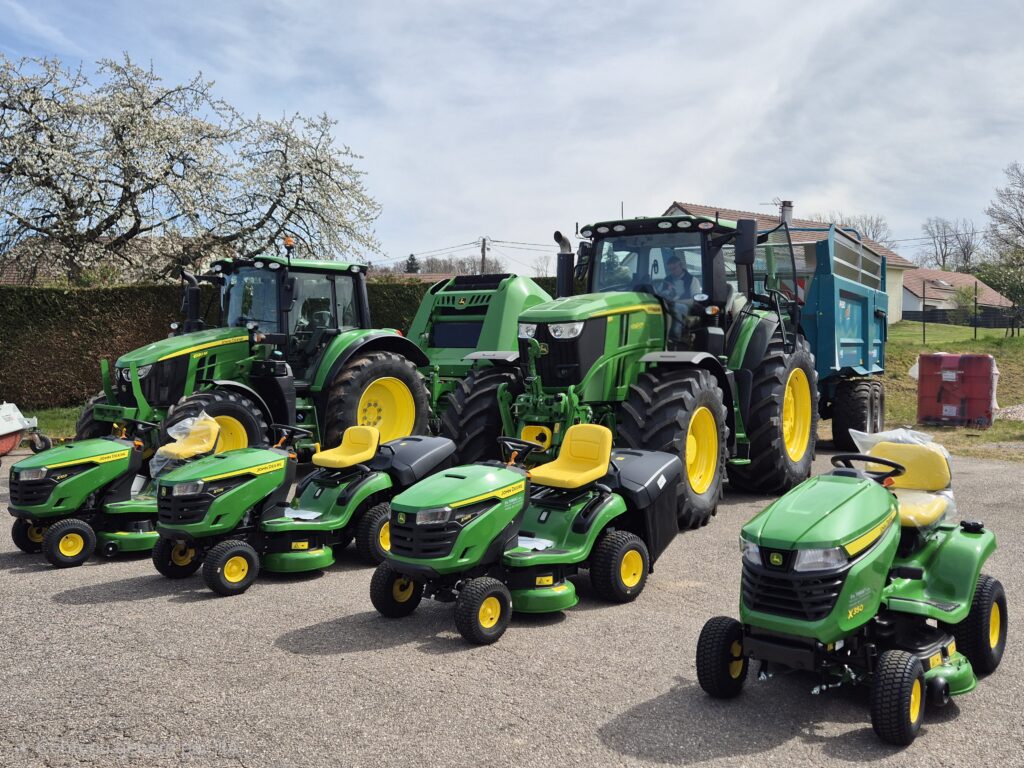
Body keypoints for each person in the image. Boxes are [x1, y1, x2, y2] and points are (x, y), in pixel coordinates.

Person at [658, 254, 700, 341]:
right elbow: (659, 294)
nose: (672, 272)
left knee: (678, 307)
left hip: (686, 308)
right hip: (667, 306)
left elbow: (695, 301)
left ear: (681, 266)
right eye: (670, 270)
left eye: (674, 269)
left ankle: (676, 336)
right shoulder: (666, 280)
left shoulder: (692, 280)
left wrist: (676, 302)